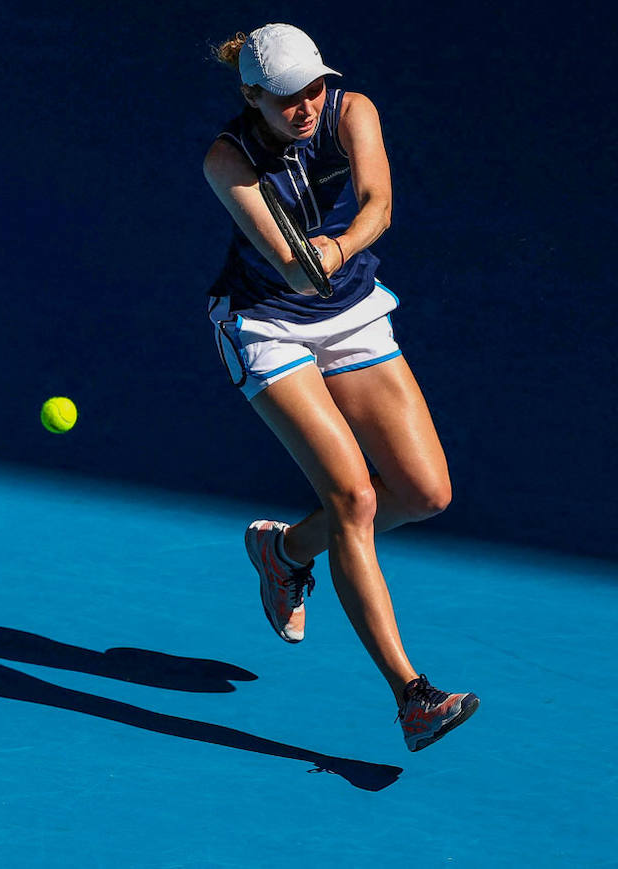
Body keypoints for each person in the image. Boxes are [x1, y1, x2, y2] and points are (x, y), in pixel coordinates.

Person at [202, 23, 478, 751]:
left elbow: (378, 205)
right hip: (267, 324)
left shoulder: (353, 110)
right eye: (288, 96)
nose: (307, 104)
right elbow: (290, 270)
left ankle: (286, 551)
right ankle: (413, 696)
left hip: (351, 308)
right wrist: (310, 260)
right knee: (354, 496)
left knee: (424, 493)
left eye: (315, 86)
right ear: (253, 96)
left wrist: (340, 244)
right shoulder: (227, 160)